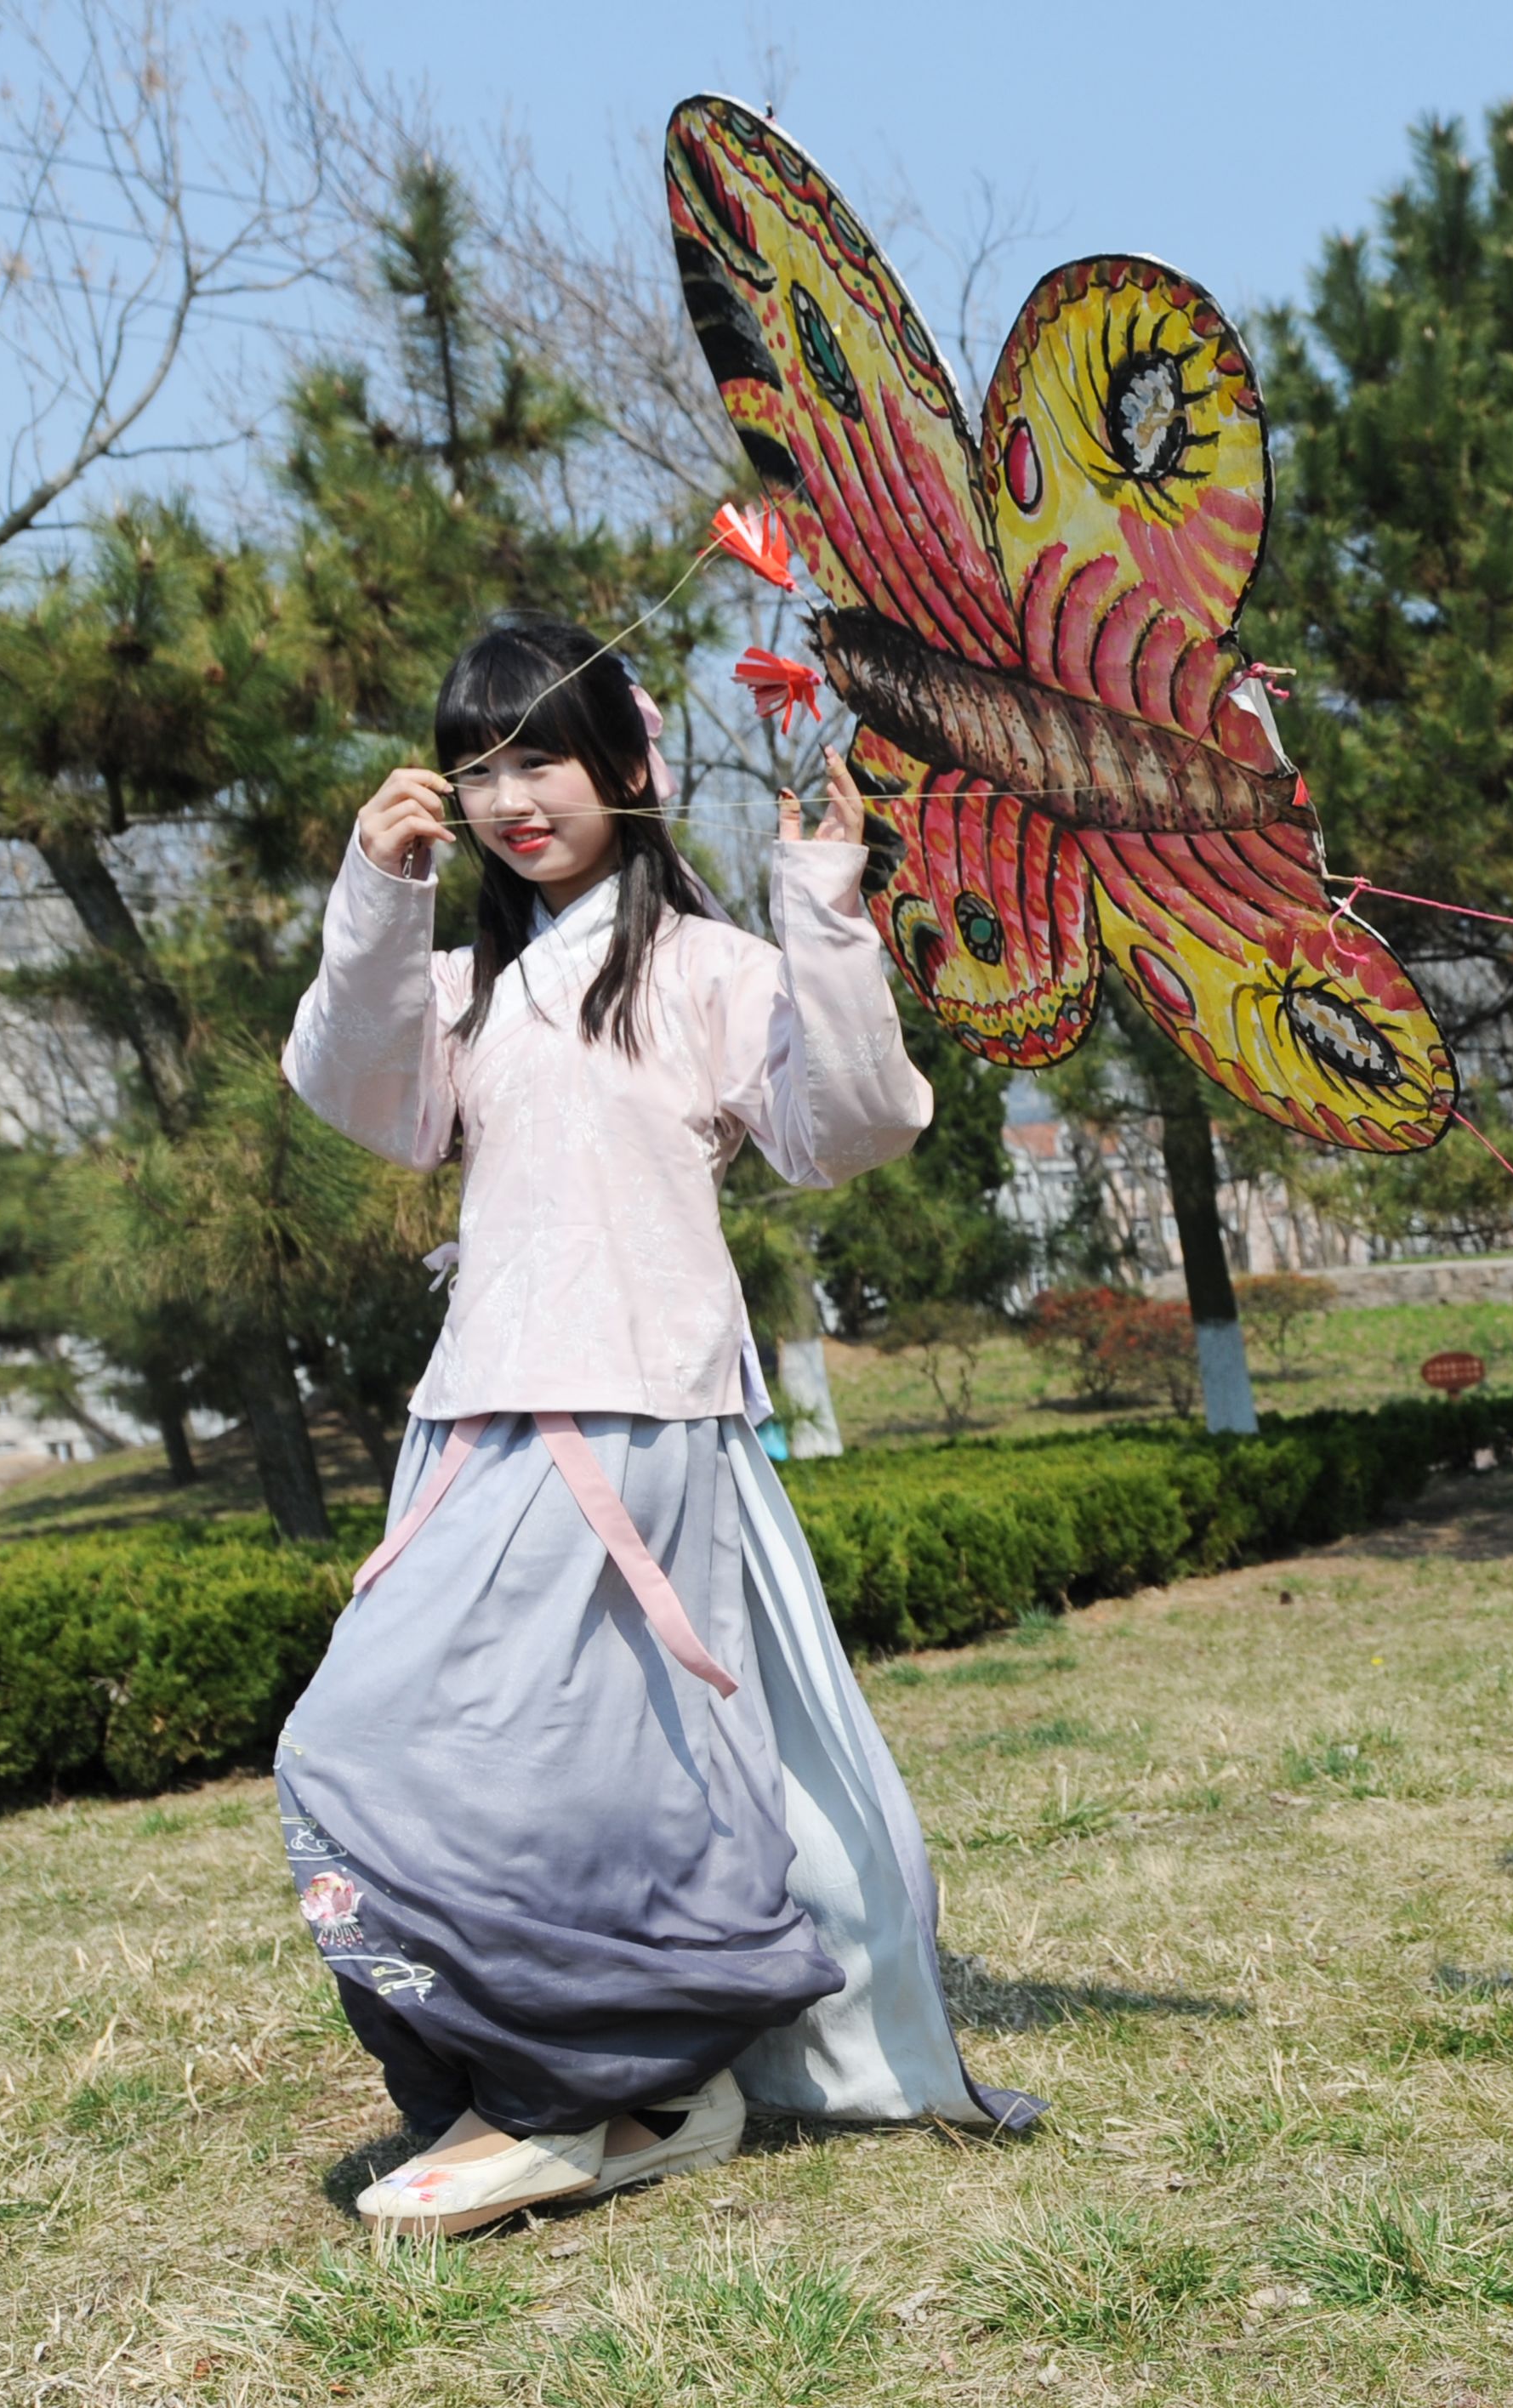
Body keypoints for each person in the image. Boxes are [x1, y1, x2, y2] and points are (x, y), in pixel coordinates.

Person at [277, 617, 1041, 2240]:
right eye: (475, 766)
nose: (506, 797)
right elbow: (355, 1094)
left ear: (628, 768)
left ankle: (609, 2084)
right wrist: (375, 892)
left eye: (539, 756)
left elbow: (851, 1126)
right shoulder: (469, 988)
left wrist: (825, 905)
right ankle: (588, 2070)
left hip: (636, 1430)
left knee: (592, 1771)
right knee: (369, 1745)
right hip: (473, 1432)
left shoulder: (701, 969)